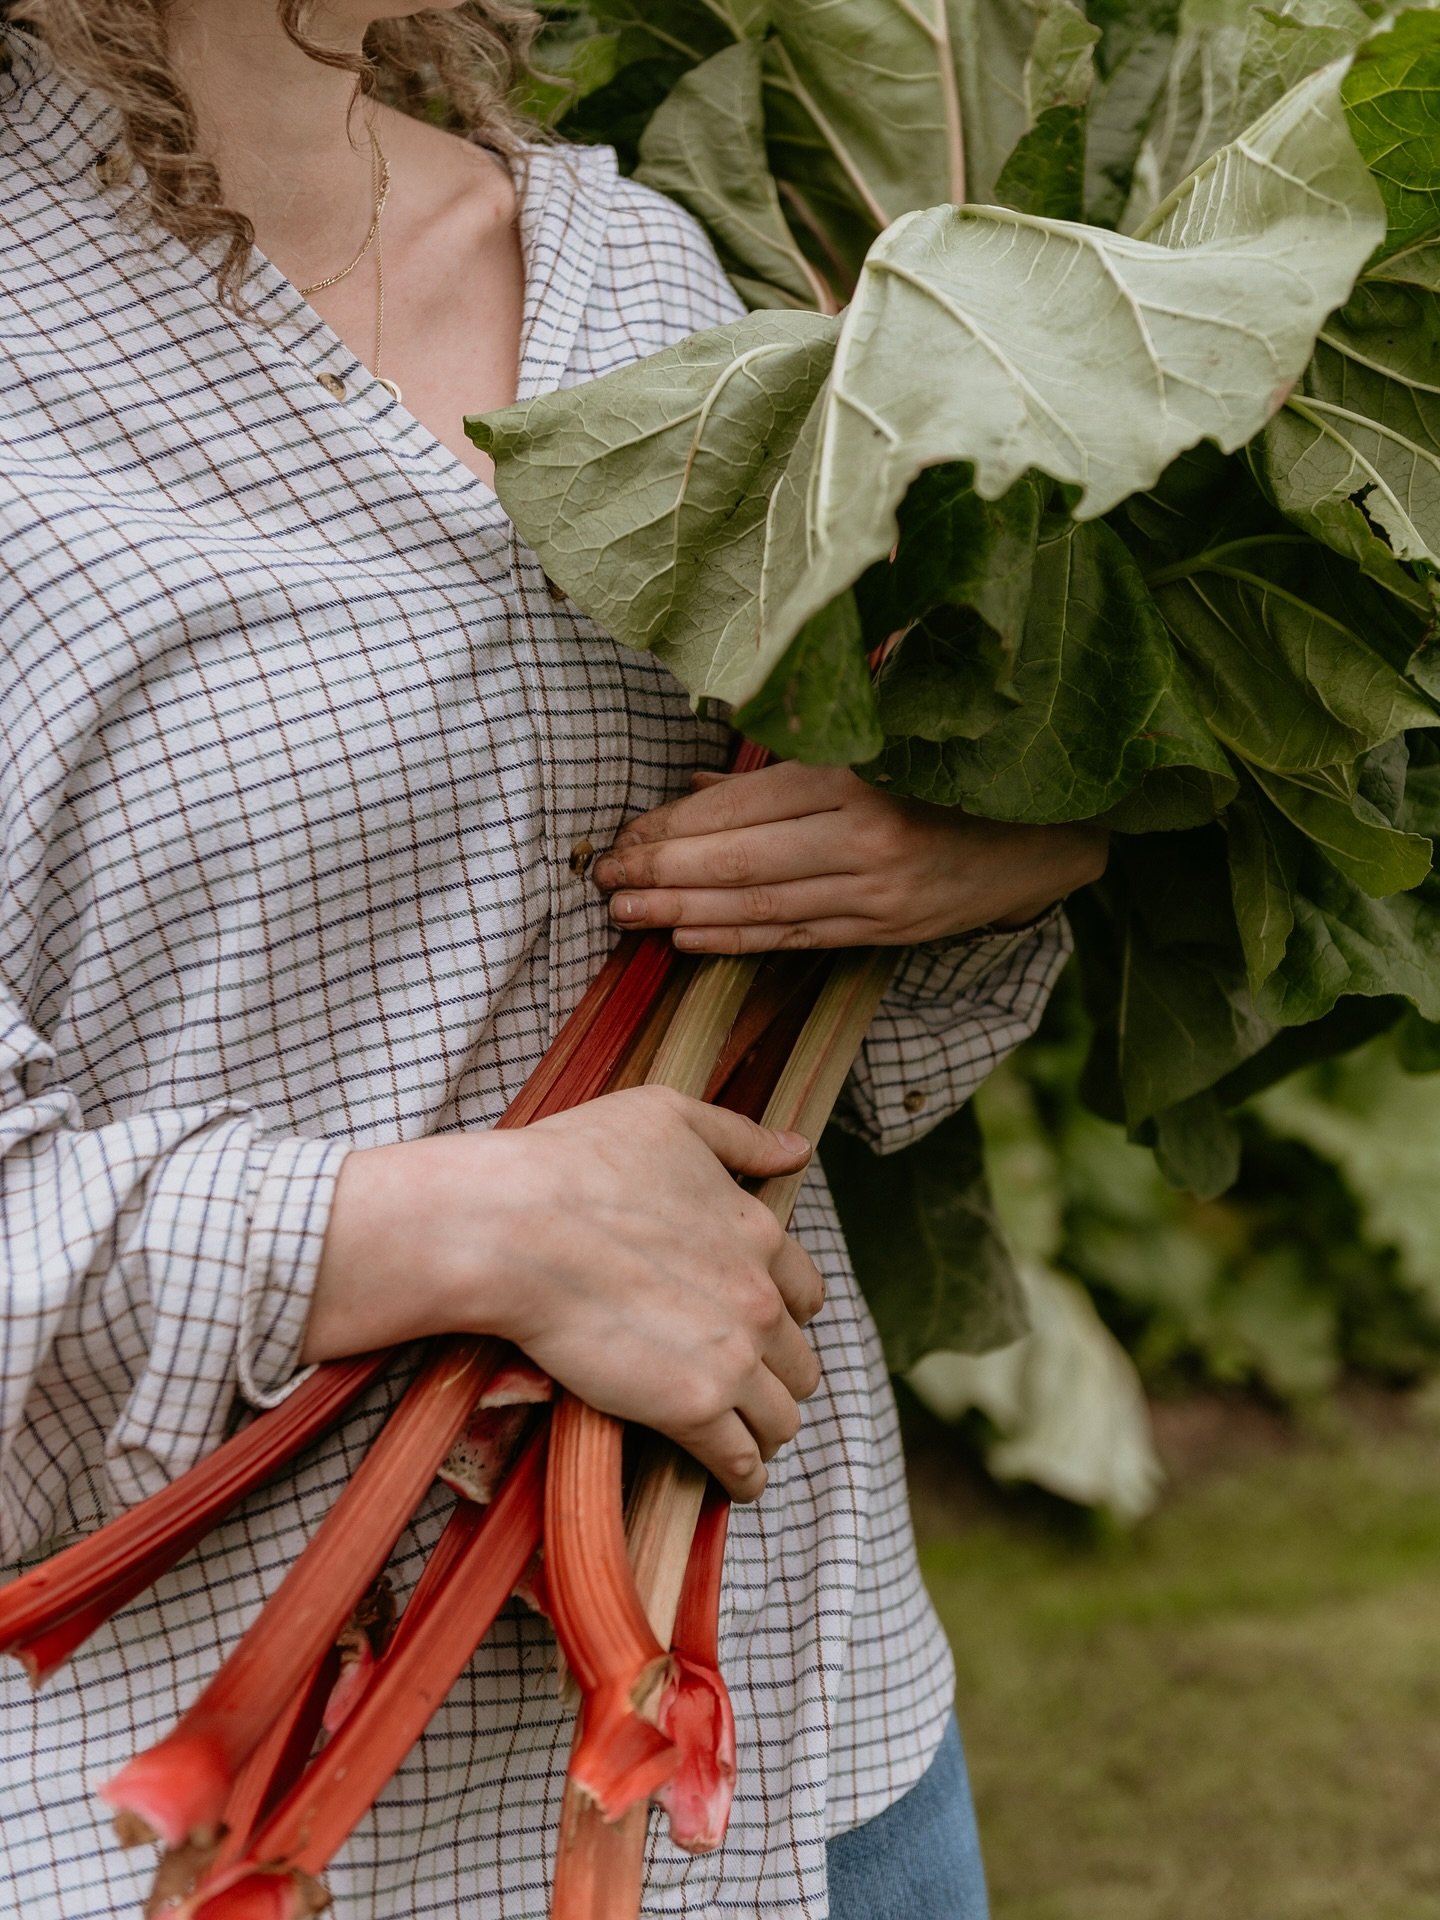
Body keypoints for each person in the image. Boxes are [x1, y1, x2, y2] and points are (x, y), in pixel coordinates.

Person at [0, 3, 1106, 1913]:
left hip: (810, 1757)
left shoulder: (632, 263)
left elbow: (845, 1050)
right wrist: (472, 1228)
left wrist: (988, 842)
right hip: (219, 1831)